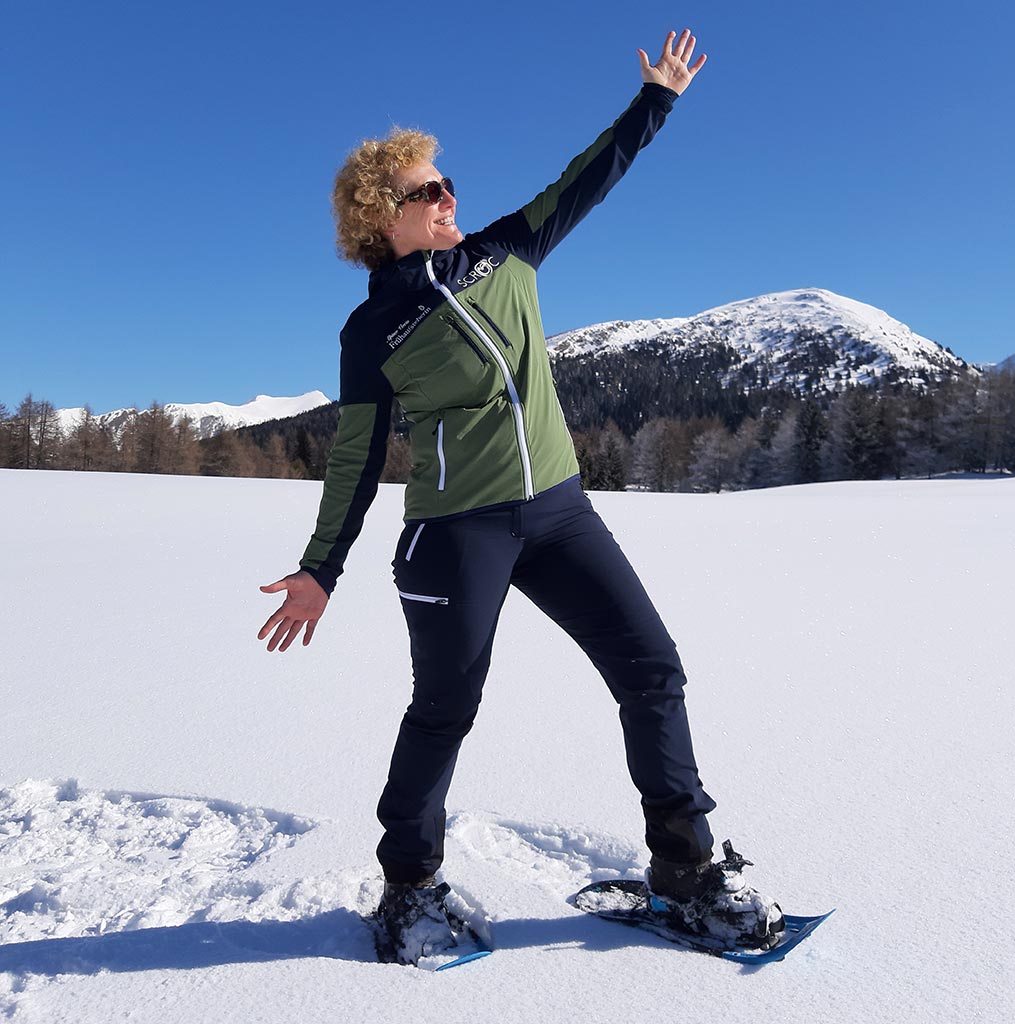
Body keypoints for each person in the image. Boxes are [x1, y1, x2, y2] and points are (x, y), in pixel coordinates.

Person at [259, 28, 783, 964]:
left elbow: (588, 176)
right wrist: (319, 569)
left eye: (447, 181)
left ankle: (687, 869)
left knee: (651, 669)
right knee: (446, 710)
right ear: (386, 213)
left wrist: (654, 101)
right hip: (456, 535)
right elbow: (356, 455)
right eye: (429, 188)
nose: (449, 194)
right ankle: (410, 886)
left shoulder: (504, 253)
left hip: (561, 514)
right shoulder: (372, 328)